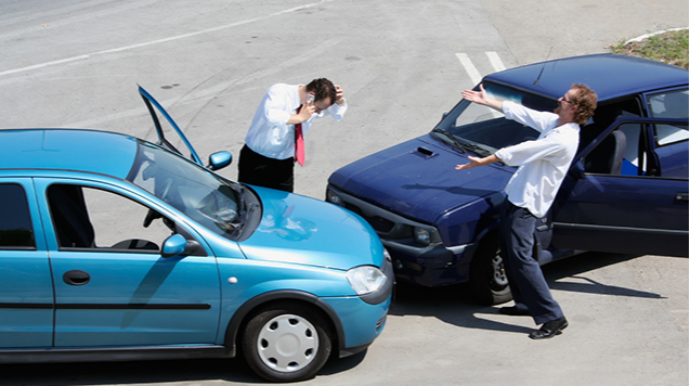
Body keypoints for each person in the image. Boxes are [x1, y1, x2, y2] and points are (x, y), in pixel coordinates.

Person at [456, 83, 597, 339]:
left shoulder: (563, 139)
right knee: (511, 253)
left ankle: (553, 317)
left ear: (573, 108)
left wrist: (483, 161)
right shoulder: (556, 123)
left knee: (522, 259)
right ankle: (524, 304)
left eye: (564, 98)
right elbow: (522, 113)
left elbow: (522, 150)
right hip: (516, 197)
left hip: (527, 205)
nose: (558, 98)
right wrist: (487, 101)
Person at [238, 78, 347, 193]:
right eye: (319, 108)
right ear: (311, 96)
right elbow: (271, 117)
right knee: (248, 203)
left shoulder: (310, 105)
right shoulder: (279, 91)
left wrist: (340, 101)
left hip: (284, 163)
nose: (319, 112)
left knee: (284, 204)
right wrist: (299, 117)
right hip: (257, 161)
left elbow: (337, 115)